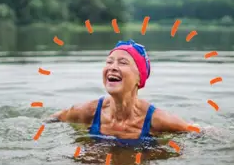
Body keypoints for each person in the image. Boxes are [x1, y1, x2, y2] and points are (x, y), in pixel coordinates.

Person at [43, 39, 190, 146]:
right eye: (109, 62)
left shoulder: (158, 120)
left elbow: (199, 132)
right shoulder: (88, 112)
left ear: (140, 78)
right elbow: (55, 118)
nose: (112, 67)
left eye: (123, 62)